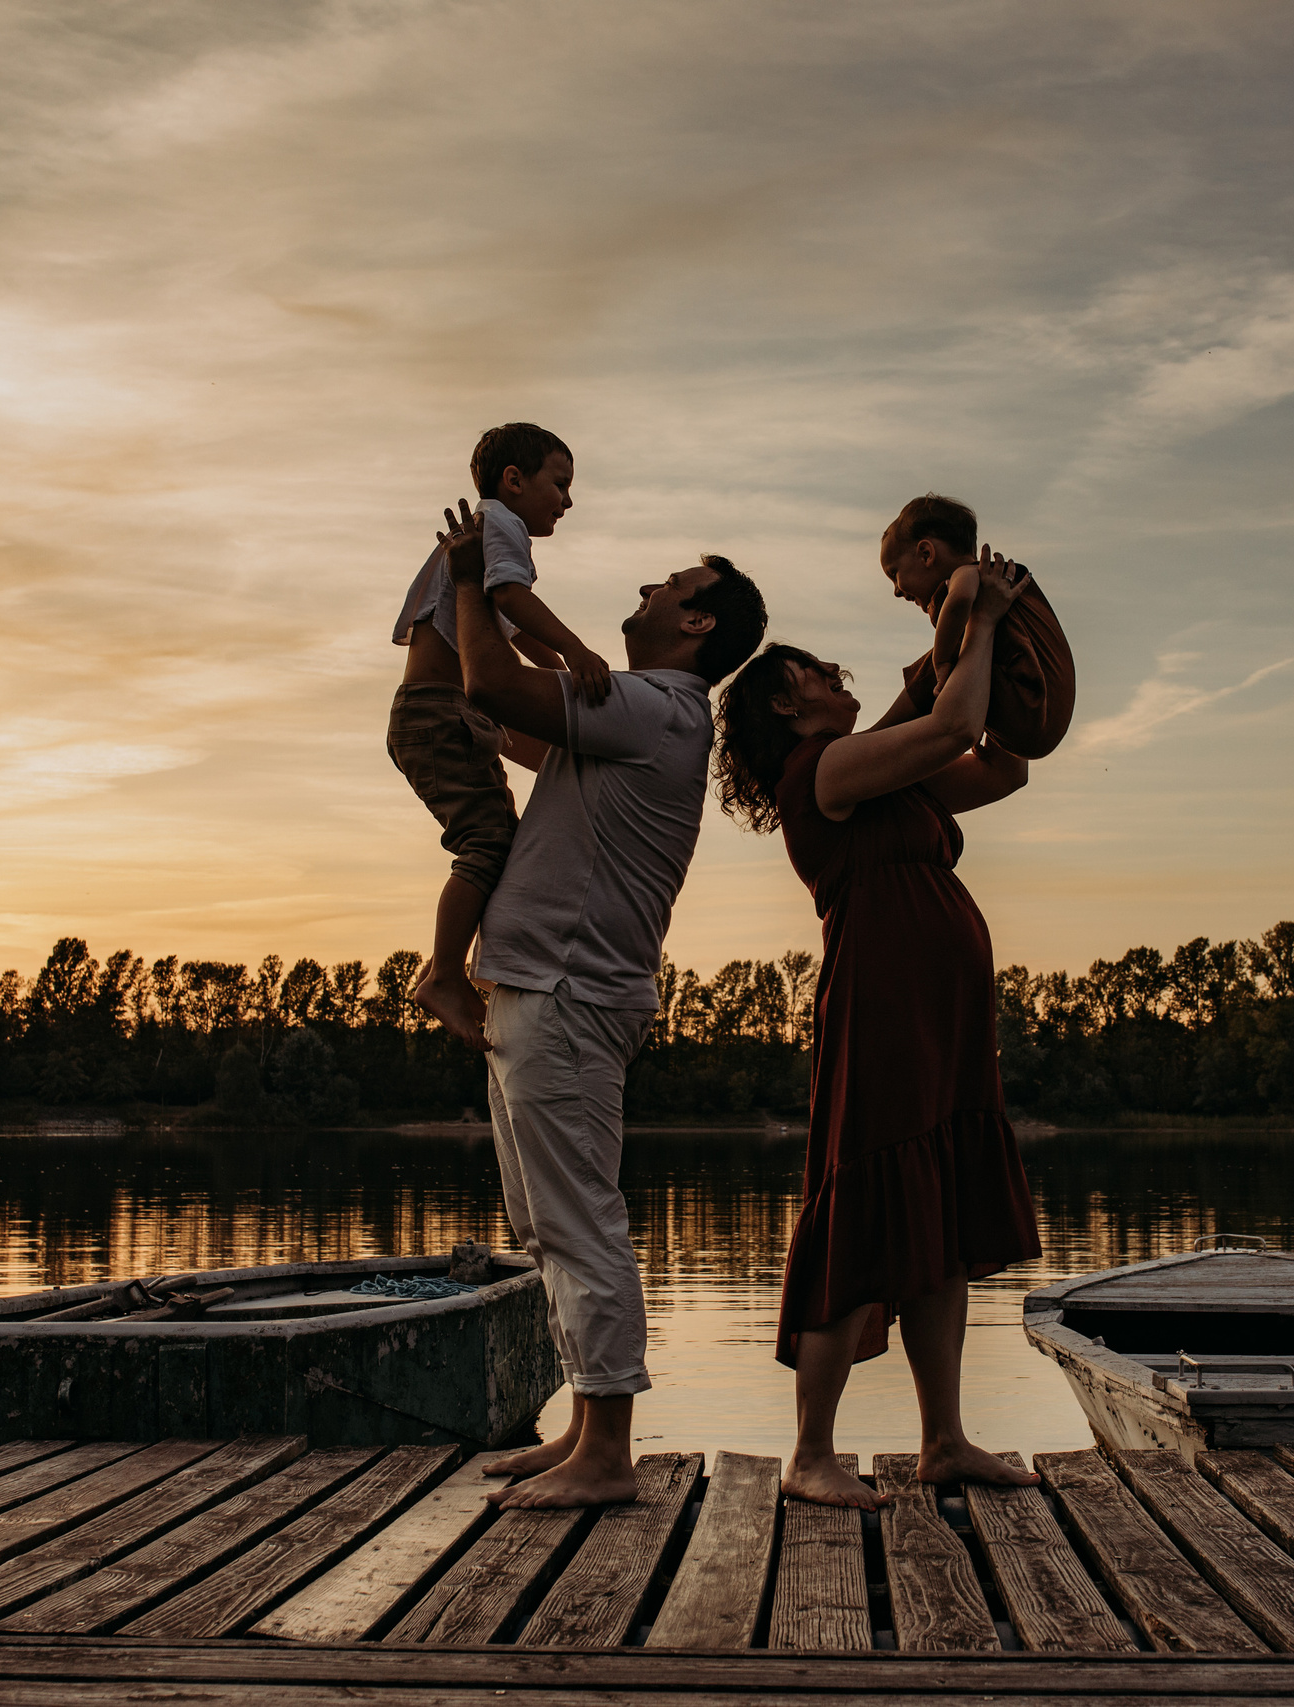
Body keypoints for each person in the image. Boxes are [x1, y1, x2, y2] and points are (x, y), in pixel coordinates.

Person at [436, 498, 769, 1509]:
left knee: (580, 1222)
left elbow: (497, 679)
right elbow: (507, 720)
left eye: (666, 586)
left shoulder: (658, 704)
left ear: (696, 623)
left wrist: (468, 571)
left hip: (569, 995)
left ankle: (609, 1456)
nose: (643, 591)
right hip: (540, 987)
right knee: (549, 1224)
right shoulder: (637, 722)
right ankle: (585, 1427)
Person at [712, 551, 1042, 1509]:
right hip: (884, 1009)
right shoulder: (824, 772)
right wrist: (970, 624)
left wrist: (1011, 644)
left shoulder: (888, 781)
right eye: (813, 674)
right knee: (862, 1214)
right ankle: (810, 1453)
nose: (833, 679)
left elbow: (1003, 765)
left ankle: (945, 1439)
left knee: (938, 1216)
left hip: (943, 1014)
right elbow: (952, 722)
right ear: (785, 706)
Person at [389, 423, 614, 1050]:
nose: (566, 501)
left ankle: (470, 965)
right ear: (514, 481)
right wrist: (575, 649)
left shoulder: (481, 537)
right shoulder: (500, 528)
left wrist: (558, 669)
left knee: (498, 838)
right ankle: (442, 975)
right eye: (560, 483)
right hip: (435, 714)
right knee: (487, 842)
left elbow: (507, 627)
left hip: (439, 715)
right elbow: (514, 600)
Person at [876, 493, 1075, 762]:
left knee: (937, 661)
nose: (897, 592)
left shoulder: (969, 575)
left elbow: (959, 600)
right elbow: (1012, 650)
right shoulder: (997, 581)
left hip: (1029, 707)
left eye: (894, 574)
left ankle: (875, 735)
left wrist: (942, 662)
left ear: (926, 554)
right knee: (969, 642)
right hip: (1045, 715)